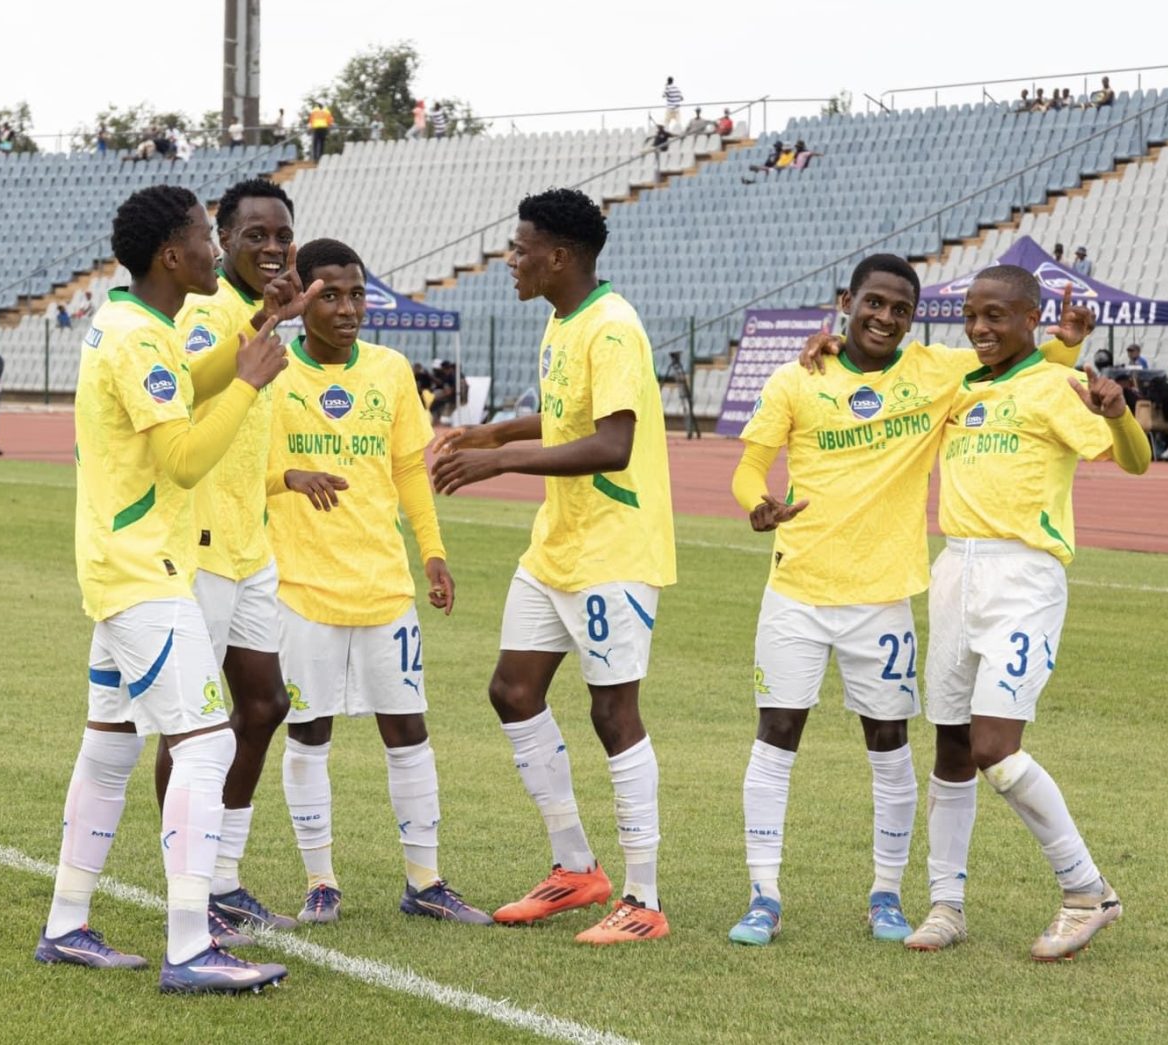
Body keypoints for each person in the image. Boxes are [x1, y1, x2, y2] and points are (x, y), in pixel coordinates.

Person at [728, 256, 1053, 949]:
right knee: (776, 736)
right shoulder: (797, 378)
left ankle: (885, 892)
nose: (884, 318)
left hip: (881, 599)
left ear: (912, 318)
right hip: (797, 590)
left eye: (900, 310)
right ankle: (764, 893)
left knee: (889, 745)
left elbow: (1018, 359)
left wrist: (1072, 346)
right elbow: (751, 464)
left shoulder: (936, 373)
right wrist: (756, 501)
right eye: (873, 303)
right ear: (847, 301)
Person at [35, 183, 291, 993]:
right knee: (209, 742)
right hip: (145, 573)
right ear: (170, 256)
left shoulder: (138, 324)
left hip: (122, 567)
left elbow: (191, 383)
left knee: (110, 747)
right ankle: (190, 946)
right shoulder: (139, 339)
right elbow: (182, 458)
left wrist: (251, 339)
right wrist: (250, 382)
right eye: (205, 242)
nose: (218, 253)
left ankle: (67, 925)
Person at [429, 188, 675, 945]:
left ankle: (643, 897)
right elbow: (567, 417)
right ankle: (577, 868)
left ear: (560, 256)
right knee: (512, 689)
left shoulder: (612, 327)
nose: (511, 257)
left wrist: (502, 460)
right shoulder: (564, 319)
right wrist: (493, 431)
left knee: (613, 712)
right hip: (558, 545)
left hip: (612, 550)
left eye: (521, 246)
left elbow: (612, 443)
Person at [910, 266, 1149, 956]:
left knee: (994, 747)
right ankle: (946, 904)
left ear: (1030, 318)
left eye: (996, 316)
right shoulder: (962, 386)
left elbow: (1136, 462)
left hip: (1023, 576)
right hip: (956, 568)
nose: (981, 328)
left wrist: (1119, 412)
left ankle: (1087, 890)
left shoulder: (1053, 386)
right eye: (972, 316)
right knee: (952, 743)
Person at [268, 238, 493, 927]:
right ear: (301, 299)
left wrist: (433, 552)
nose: (347, 308)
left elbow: (405, 471)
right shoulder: (270, 374)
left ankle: (424, 879)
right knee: (308, 731)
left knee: (408, 729)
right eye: (329, 294)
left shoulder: (392, 371)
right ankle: (320, 881)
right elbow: (239, 468)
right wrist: (288, 477)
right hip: (303, 588)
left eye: (356, 293)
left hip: (383, 587)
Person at [164, 177, 320, 938]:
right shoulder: (200, 314)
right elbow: (191, 399)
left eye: (281, 236)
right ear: (221, 240)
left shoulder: (255, 318)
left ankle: (222, 878)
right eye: (254, 235)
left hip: (248, 547)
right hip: (198, 551)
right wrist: (262, 323)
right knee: (193, 729)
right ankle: (187, 889)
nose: (271, 247)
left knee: (263, 705)